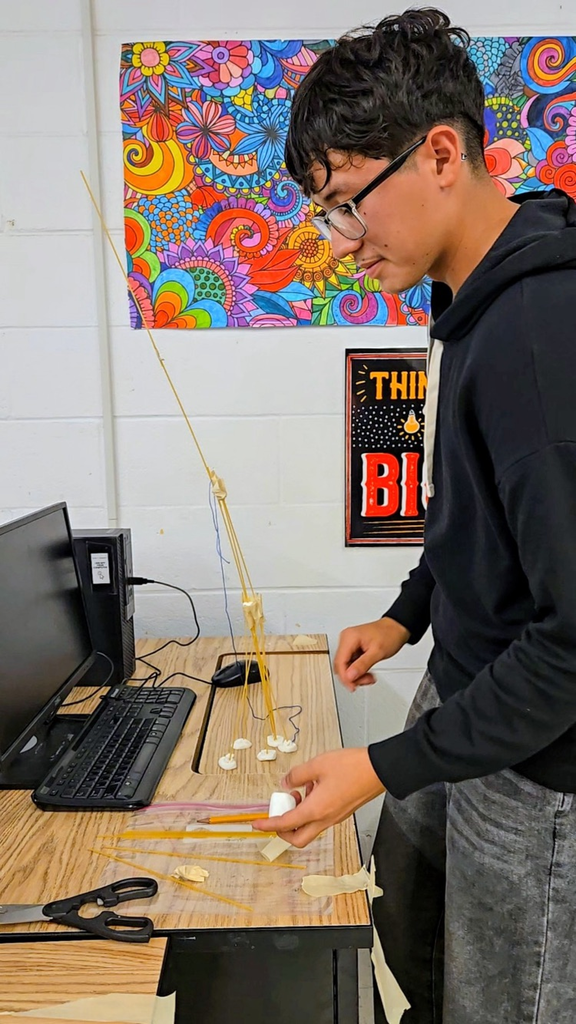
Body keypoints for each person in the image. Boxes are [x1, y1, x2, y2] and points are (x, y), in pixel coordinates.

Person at [251, 7, 576, 1022]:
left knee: (501, 1000)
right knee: (412, 933)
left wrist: (377, 765)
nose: (342, 244)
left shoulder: (538, 330)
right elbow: (475, 511)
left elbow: (573, 641)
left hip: (539, 756)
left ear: (440, 154)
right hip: (466, 691)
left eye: (348, 205)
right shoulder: (471, 296)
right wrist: (409, 612)